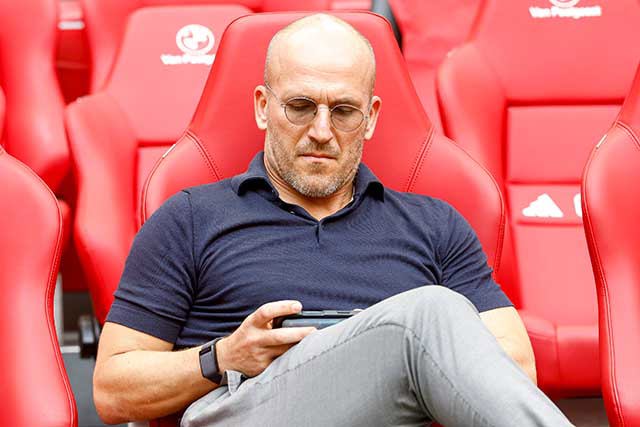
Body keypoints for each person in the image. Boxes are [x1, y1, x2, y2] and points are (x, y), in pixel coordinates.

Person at [94, 14, 574, 427]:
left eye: (343, 111)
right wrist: (222, 357)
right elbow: (112, 391)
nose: (321, 132)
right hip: (245, 409)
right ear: (263, 107)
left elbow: (515, 369)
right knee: (429, 312)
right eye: (300, 107)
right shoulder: (190, 218)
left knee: (426, 318)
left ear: (371, 117)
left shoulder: (435, 225)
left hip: (392, 411)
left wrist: (381, 352)